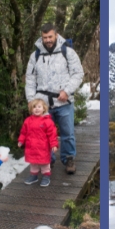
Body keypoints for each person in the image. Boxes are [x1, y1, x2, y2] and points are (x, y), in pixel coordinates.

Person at [25, 23, 84, 175]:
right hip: (42, 104)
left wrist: (67, 91)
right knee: (42, 134)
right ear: (41, 37)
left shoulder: (68, 52)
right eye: (45, 37)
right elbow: (30, 80)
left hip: (63, 101)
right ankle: (47, 160)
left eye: (50, 37)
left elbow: (78, 74)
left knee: (67, 133)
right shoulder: (35, 56)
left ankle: (69, 158)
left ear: (56, 35)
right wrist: (31, 101)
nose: (48, 40)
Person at [18, 98, 59, 187]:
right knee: (33, 162)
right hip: (31, 146)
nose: (37, 109)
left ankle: (46, 176)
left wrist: (54, 144)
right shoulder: (28, 121)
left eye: (39, 107)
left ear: (44, 108)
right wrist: (21, 141)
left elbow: (52, 134)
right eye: (34, 107)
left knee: (44, 162)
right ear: (31, 109)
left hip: (43, 147)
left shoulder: (47, 121)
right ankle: (34, 176)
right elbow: (23, 132)